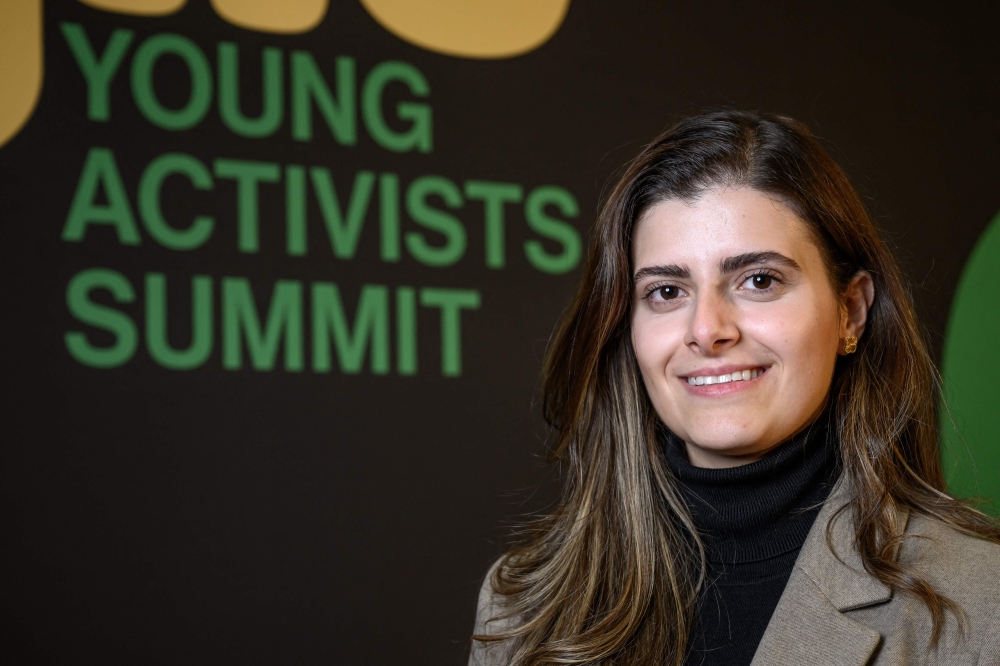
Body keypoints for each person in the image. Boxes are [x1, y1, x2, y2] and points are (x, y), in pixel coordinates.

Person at [468, 110, 1000, 666]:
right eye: (667, 291)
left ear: (850, 312)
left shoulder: (981, 604)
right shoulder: (521, 605)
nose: (706, 330)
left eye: (759, 281)